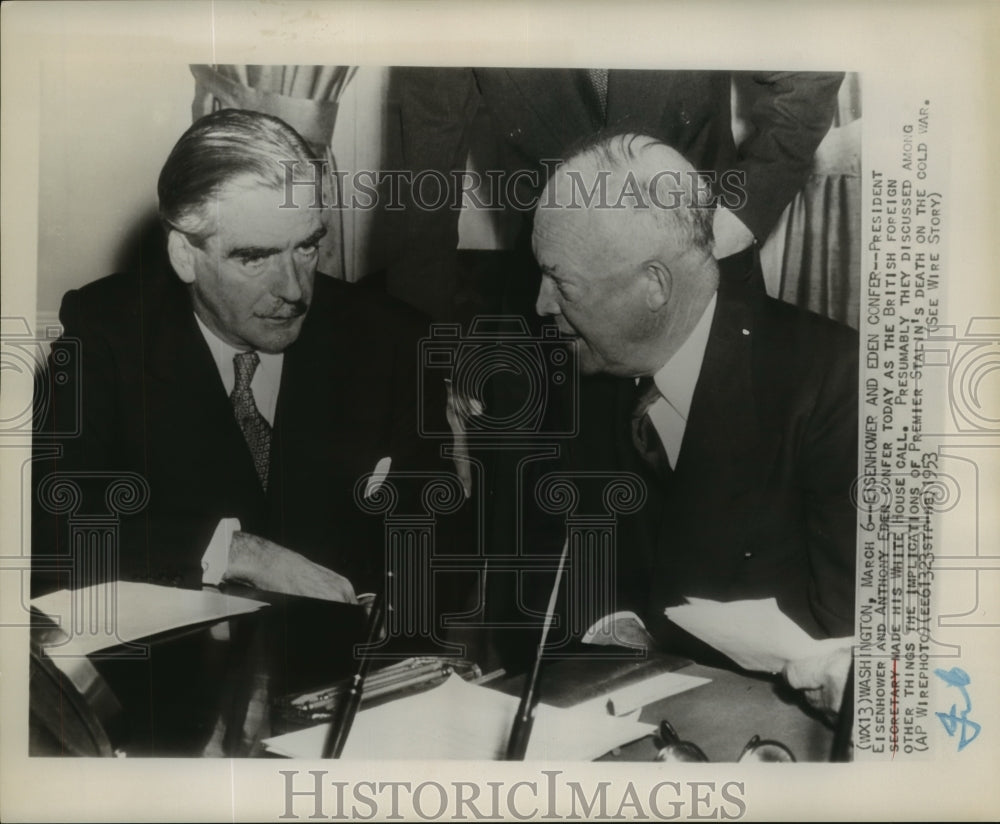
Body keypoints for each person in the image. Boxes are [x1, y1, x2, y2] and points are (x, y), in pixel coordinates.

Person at [31, 109, 452, 607]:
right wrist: (235, 550)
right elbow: (52, 530)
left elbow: (437, 551)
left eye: (307, 247)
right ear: (185, 255)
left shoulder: (392, 338)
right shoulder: (107, 334)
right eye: (254, 257)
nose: (294, 290)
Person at [526, 133, 857, 715]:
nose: (541, 305)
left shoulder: (835, 389)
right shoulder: (579, 364)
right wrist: (614, 628)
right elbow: (551, 578)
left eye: (563, 284)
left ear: (654, 285)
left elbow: (853, 654)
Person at [387, 68, 845, 322]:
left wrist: (739, 217)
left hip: (705, 278)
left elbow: (809, 72)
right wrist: (416, 365)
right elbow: (424, 175)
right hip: (550, 298)